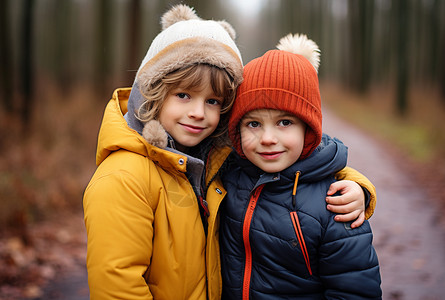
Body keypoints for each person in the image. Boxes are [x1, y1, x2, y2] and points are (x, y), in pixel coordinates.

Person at [83, 4, 377, 299]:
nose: (198, 112)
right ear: (152, 94)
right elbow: (117, 284)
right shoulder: (124, 177)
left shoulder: (211, 161)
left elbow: (304, 171)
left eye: (212, 101)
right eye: (183, 95)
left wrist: (356, 187)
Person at [220, 33, 382, 299]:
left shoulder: (337, 205)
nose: (268, 139)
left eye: (285, 122)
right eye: (253, 124)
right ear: (236, 131)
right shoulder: (228, 175)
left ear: (308, 130)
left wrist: (361, 190)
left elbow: (355, 290)